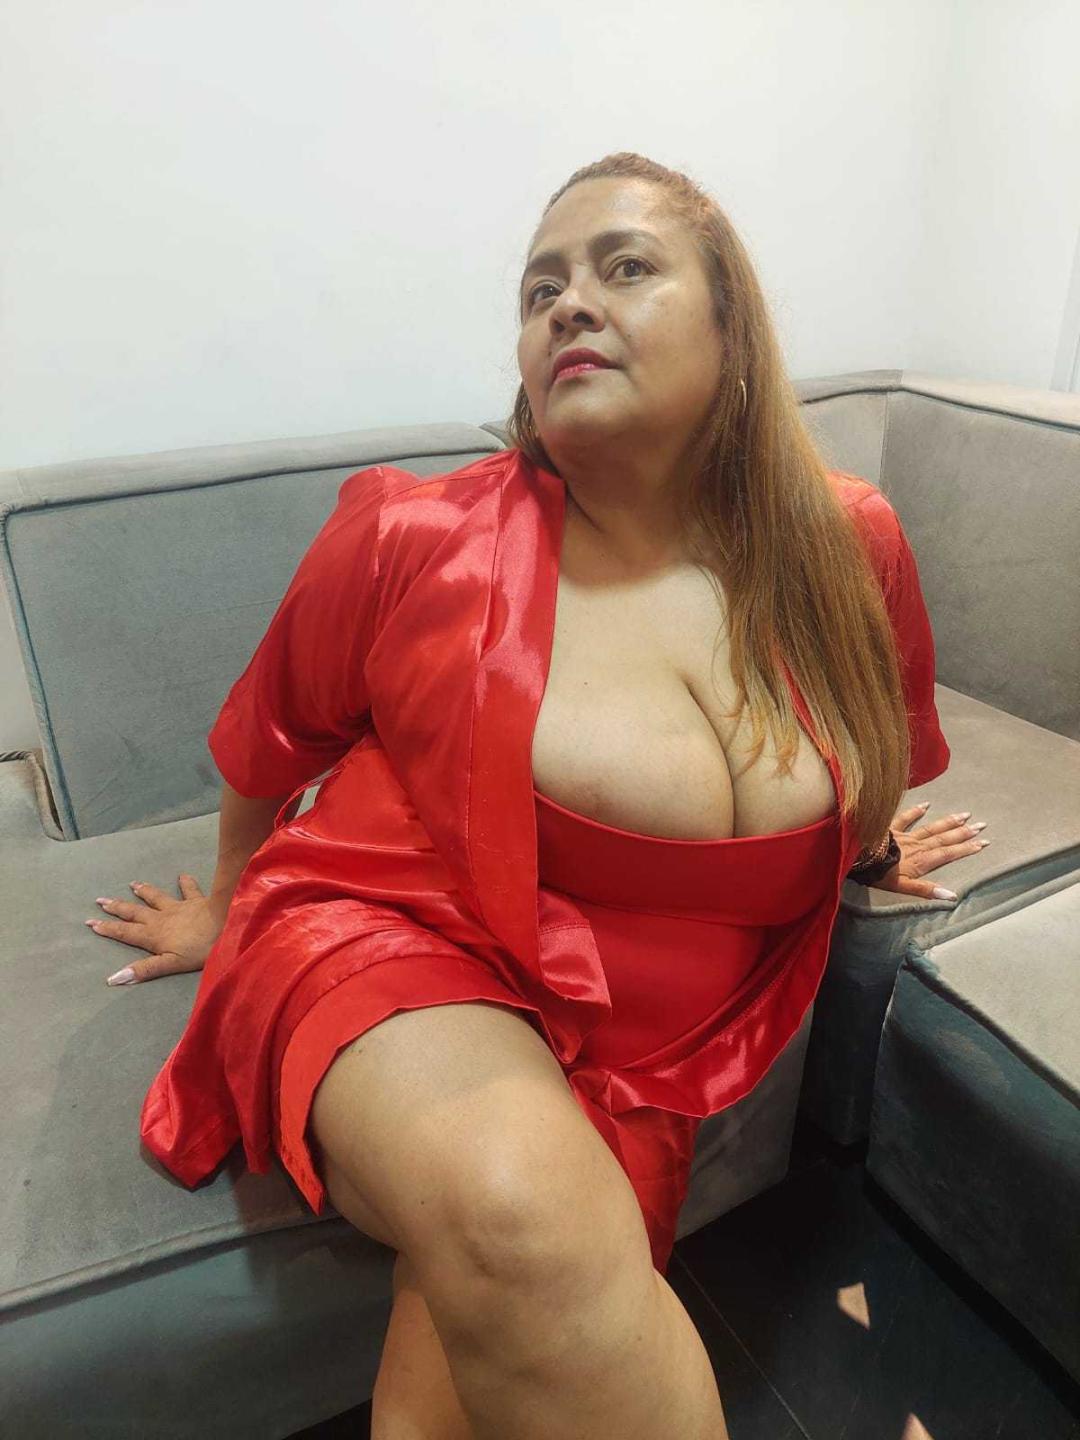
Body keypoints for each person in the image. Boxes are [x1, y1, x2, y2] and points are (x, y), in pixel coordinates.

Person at [89, 152, 987, 1440]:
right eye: (539, 289)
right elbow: (268, 737)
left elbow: (871, 731)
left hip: (644, 1035)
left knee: (497, 1309)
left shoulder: (851, 545)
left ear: (732, 325)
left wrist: (867, 846)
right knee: (521, 1216)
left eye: (624, 266)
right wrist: (226, 910)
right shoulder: (415, 537)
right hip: (393, 928)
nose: (569, 304)